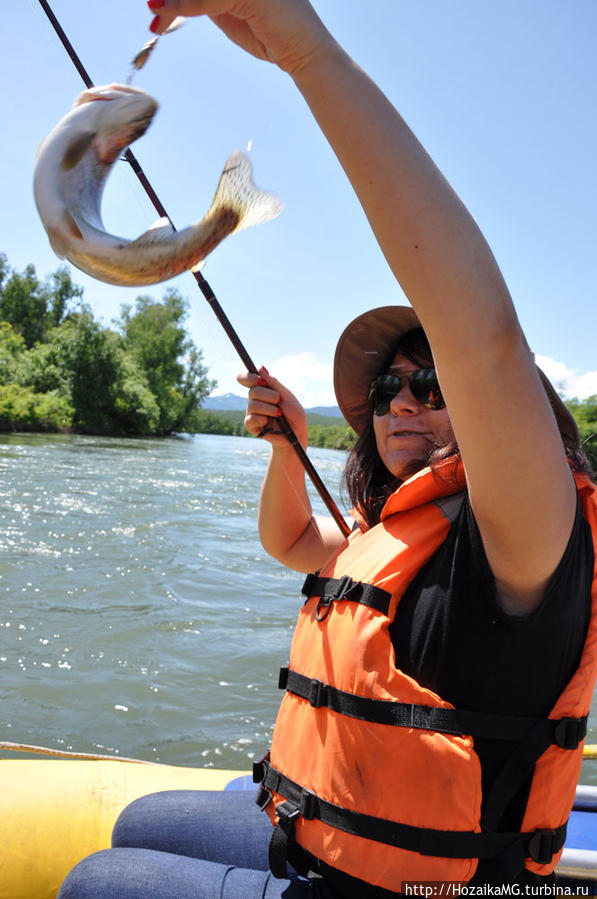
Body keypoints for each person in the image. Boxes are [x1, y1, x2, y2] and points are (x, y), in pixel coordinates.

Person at [58, 1, 597, 896]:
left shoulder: (523, 536)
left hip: (414, 885)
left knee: (97, 877)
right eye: (386, 388)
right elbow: (291, 546)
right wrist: (286, 450)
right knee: (138, 822)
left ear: (498, 408)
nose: (401, 403)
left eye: (433, 383)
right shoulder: (399, 530)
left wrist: (304, 50)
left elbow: (487, 342)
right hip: (322, 828)